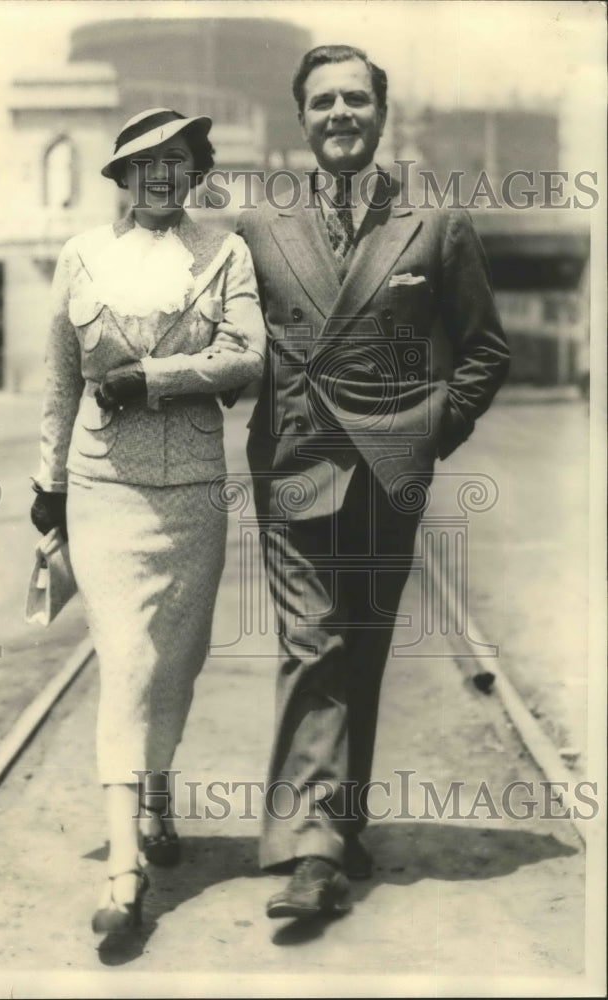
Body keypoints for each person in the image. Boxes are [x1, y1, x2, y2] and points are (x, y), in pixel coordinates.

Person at [237, 45, 510, 919]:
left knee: (360, 646)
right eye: (322, 103)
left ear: (381, 116)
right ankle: (311, 851)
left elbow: (483, 351)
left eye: (356, 99)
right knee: (312, 643)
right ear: (302, 119)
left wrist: (430, 434)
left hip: (388, 472)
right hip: (294, 463)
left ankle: (339, 820)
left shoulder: (434, 221)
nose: (340, 115)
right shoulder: (259, 227)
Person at [30, 107, 265, 935]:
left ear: (196, 172)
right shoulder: (83, 255)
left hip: (194, 488)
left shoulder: (225, 253)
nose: (162, 175)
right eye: (146, 162)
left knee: (175, 666)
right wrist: (47, 481)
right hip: (102, 488)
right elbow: (59, 376)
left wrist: (155, 377)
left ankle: (160, 793)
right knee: (125, 663)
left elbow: (248, 353)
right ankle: (123, 871)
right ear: (122, 177)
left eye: (178, 161)